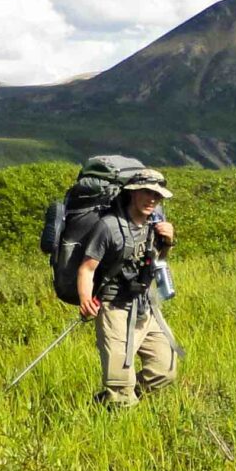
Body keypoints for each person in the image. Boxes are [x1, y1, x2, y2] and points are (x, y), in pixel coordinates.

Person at [73, 170, 179, 408]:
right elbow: (87, 269)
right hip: (114, 308)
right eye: (146, 192)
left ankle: (115, 400)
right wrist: (85, 300)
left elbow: (157, 260)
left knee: (165, 370)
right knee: (120, 384)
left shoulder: (155, 222)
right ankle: (117, 405)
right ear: (133, 193)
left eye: (157, 195)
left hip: (145, 307)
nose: (152, 199)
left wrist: (168, 241)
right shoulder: (108, 227)